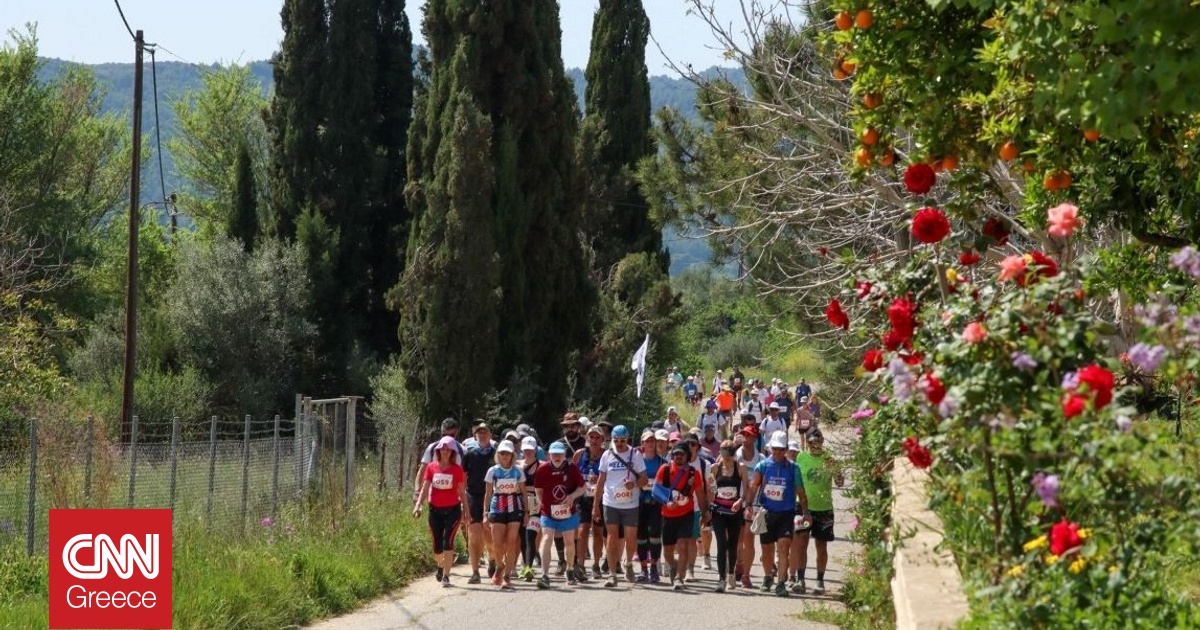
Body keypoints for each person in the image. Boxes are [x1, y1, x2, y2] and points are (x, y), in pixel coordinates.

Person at [748, 431, 809, 597]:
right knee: (766, 550)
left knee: (783, 546)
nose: (778, 452)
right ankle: (768, 576)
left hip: (786, 514)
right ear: (770, 448)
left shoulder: (793, 468)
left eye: (781, 449)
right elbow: (754, 486)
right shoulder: (762, 466)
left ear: (786, 449)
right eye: (775, 449)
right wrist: (747, 504)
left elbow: (800, 491)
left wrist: (805, 511)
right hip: (767, 513)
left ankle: (781, 582)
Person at [592, 425, 648, 587]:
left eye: (622, 441)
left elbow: (644, 479)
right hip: (610, 503)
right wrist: (596, 505)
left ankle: (629, 563)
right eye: (616, 441)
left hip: (630, 504)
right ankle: (612, 573)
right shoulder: (607, 455)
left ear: (628, 439)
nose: (620, 444)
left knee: (631, 538)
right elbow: (601, 481)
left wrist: (634, 483)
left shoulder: (635, 454)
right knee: (612, 537)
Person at [791, 430, 843, 595]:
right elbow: (796, 482)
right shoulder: (801, 458)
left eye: (818, 442)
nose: (816, 446)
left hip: (824, 508)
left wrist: (837, 472)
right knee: (801, 543)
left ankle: (820, 581)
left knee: (821, 545)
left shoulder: (829, 458)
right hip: (804, 507)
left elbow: (840, 482)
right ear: (807, 442)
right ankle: (800, 579)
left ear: (822, 442)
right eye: (812, 443)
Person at [413, 436, 469, 587]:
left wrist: (466, 512)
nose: (445, 451)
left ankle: (446, 576)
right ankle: (441, 564)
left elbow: (462, 492)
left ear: (452, 452)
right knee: (437, 547)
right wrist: (418, 505)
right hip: (435, 510)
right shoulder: (431, 467)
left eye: (448, 448)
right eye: (442, 448)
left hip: (453, 510)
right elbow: (425, 488)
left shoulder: (457, 470)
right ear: (438, 450)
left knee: (447, 542)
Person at [656, 444, 709, 590]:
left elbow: (700, 494)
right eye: (676, 454)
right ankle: (673, 566)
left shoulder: (694, 473)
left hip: (686, 514)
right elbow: (656, 489)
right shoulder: (665, 469)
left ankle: (679, 577)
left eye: (682, 454)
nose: (679, 456)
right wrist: (667, 502)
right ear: (673, 455)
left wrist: (705, 513)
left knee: (683, 546)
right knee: (667, 551)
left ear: (687, 456)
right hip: (667, 515)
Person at [534, 442, 588, 588]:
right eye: (554, 454)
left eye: (560, 454)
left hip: (568, 512)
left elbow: (583, 487)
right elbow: (538, 489)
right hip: (548, 512)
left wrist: (572, 496)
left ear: (565, 455)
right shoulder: (542, 469)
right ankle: (545, 575)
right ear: (549, 455)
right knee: (546, 538)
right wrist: (541, 503)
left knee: (569, 542)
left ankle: (570, 569)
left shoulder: (572, 469)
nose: (557, 457)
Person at [483, 441, 527, 590]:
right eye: (502, 453)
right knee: (497, 543)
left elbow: (524, 492)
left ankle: (507, 577)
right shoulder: (492, 471)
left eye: (508, 453)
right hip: (497, 508)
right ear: (498, 455)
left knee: (511, 542)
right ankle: (499, 565)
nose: (505, 456)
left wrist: (526, 513)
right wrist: (485, 513)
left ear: (512, 455)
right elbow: (488, 493)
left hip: (515, 507)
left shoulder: (518, 471)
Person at [708, 439, 748, 592]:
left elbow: (747, 489)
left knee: (732, 544)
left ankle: (731, 573)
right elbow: (711, 488)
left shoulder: (740, 468)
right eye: (725, 456)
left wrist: (740, 501)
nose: (727, 459)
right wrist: (708, 507)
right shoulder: (715, 468)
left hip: (734, 511)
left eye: (729, 457)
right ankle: (721, 579)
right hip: (719, 511)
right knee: (721, 543)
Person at [461, 423, 498, 583]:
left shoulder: (496, 454)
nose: (482, 435)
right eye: (479, 432)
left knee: (489, 536)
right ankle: (475, 572)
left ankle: (492, 558)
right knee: (473, 536)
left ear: (490, 434)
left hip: (492, 497)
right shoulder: (469, 454)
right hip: (473, 497)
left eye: (485, 432)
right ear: (475, 435)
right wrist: (461, 500)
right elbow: (462, 478)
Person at [573, 424, 606, 579]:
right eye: (591, 437)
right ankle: (580, 564)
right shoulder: (579, 454)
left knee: (598, 533)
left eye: (597, 437)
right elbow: (572, 475)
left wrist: (599, 479)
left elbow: (612, 478)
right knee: (582, 530)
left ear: (602, 439)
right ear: (587, 438)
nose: (593, 440)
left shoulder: (606, 455)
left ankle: (596, 564)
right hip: (582, 497)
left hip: (599, 498)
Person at [734, 428, 766, 588]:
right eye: (744, 434)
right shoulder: (735, 455)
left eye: (749, 435)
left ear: (755, 438)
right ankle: (738, 563)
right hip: (734, 501)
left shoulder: (760, 458)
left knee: (749, 537)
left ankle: (746, 573)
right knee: (736, 538)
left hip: (753, 503)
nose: (745, 437)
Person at [636, 429, 665, 583]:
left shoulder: (662, 462)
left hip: (655, 503)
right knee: (641, 536)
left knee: (654, 535)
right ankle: (643, 569)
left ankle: (654, 568)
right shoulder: (636, 460)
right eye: (647, 441)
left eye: (652, 441)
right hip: (640, 502)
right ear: (642, 443)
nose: (650, 443)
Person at [518, 437, 542, 581]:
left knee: (530, 537)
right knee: (522, 538)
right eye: (525, 449)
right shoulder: (516, 465)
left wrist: (525, 488)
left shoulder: (541, 466)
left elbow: (542, 486)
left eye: (530, 449)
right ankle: (524, 566)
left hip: (535, 505)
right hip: (519, 503)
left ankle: (528, 567)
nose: (528, 452)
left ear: (535, 450)